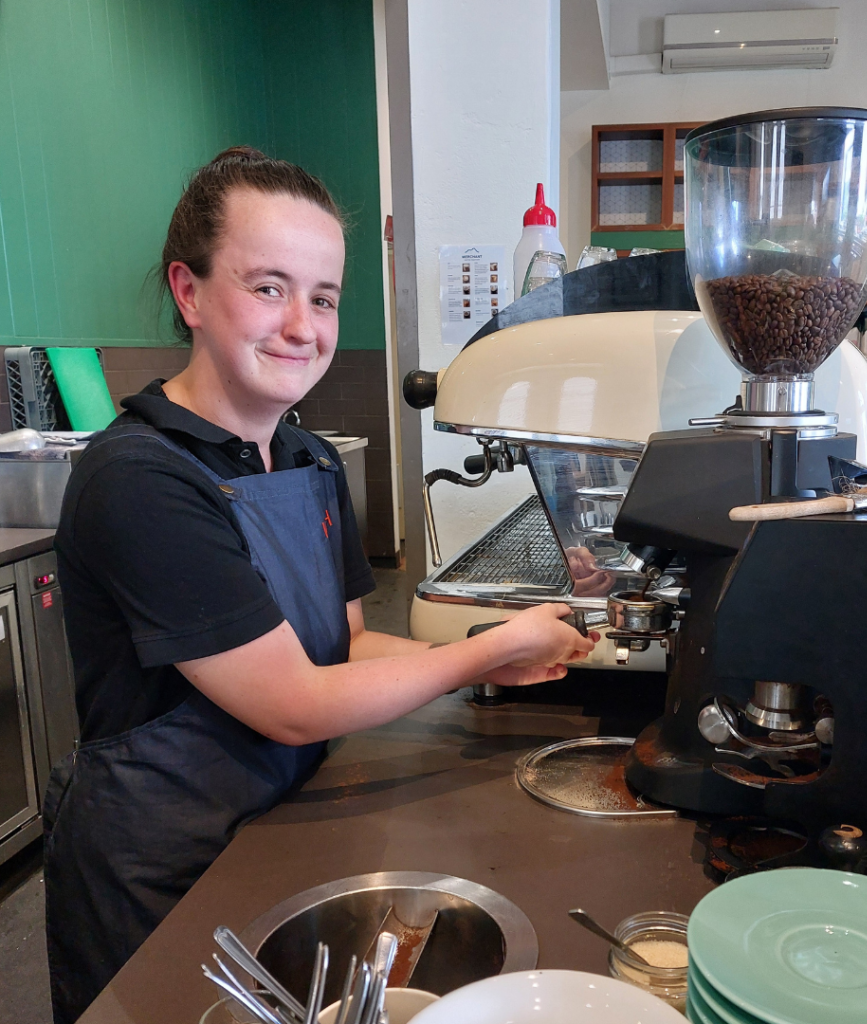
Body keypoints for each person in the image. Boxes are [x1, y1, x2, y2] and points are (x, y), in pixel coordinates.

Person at [44, 147, 595, 1024]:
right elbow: (293, 701)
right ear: (189, 292)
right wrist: (486, 648)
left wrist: (497, 661)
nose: (303, 324)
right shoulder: (140, 481)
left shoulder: (306, 457)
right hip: (160, 865)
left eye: (325, 296)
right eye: (268, 287)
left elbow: (343, 644)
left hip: (277, 822)